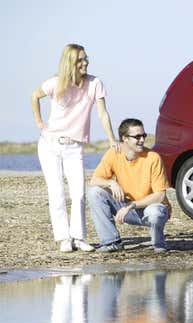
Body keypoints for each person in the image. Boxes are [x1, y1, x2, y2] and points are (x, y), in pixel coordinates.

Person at [31, 43, 119, 253]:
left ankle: (78, 237)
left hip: (74, 147)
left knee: (78, 193)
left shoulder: (94, 83)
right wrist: (39, 122)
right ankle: (63, 238)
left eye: (86, 58)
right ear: (70, 62)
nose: (85, 62)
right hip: (50, 145)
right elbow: (34, 96)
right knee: (57, 193)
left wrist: (111, 139)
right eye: (80, 60)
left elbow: (103, 114)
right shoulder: (55, 83)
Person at [88, 118, 171, 252]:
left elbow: (160, 196)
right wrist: (111, 182)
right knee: (95, 192)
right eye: (137, 137)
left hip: (150, 209)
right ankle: (111, 242)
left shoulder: (153, 157)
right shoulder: (114, 153)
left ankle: (158, 244)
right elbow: (94, 180)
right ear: (124, 138)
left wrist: (131, 205)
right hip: (127, 208)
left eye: (143, 135)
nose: (142, 140)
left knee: (156, 212)